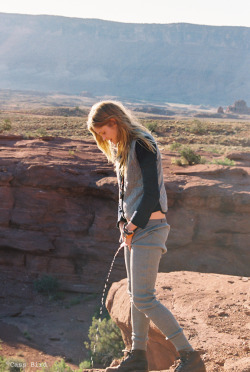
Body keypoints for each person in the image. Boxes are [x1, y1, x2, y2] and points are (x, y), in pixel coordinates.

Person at [87, 101, 206, 372]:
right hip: (135, 230)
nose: (104, 138)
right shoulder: (123, 148)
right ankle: (138, 356)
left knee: (143, 298)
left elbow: (151, 193)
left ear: (114, 122)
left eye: (103, 132)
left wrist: (133, 226)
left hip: (150, 229)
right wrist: (122, 222)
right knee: (133, 295)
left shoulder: (142, 144)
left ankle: (190, 356)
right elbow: (123, 193)